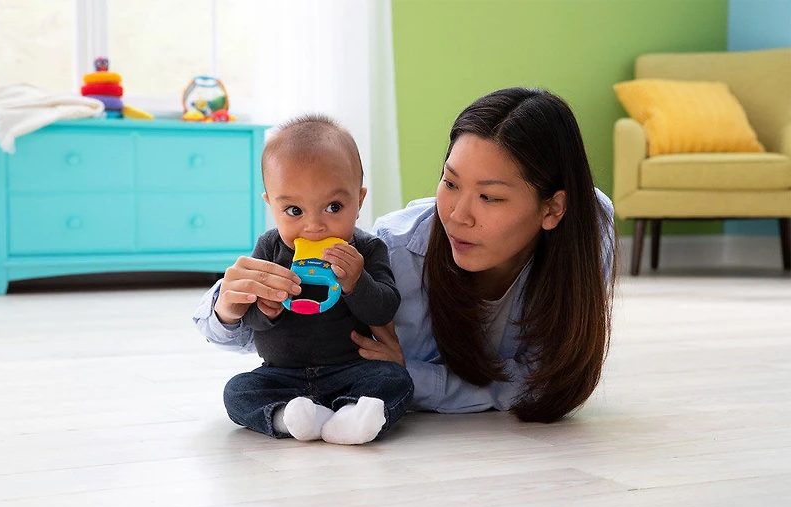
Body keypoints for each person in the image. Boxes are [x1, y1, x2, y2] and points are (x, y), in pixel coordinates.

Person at [194, 87, 616, 426]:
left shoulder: (587, 232)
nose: (457, 214)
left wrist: (414, 377)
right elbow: (257, 330)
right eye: (450, 183)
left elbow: (542, 380)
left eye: (489, 196)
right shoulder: (396, 249)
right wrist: (229, 307)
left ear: (552, 209)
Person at [194, 114, 413, 445]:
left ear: (359, 201)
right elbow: (250, 315)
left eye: (333, 207)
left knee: (396, 379)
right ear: (272, 206)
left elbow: (383, 310)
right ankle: (288, 418)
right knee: (237, 391)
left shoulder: (367, 249)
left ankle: (350, 417)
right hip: (282, 373)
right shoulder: (269, 247)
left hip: (350, 370)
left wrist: (357, 281)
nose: (314, 226)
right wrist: (265, 308)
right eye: (294, 211)